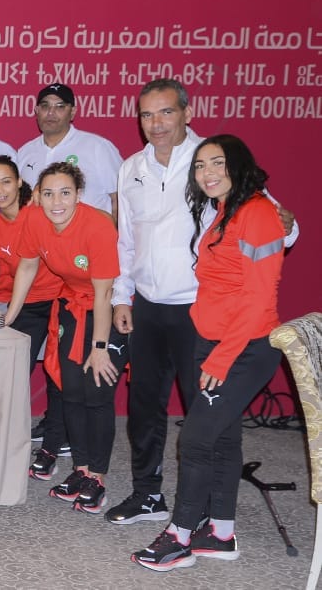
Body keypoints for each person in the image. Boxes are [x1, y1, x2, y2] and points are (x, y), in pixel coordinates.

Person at [131, 135, 287, 571]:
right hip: (213, 341)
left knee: (196, 439)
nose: (207, 173)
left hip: (244, 348)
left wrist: (220, 358)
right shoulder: (225, 211)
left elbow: (257, 299)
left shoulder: (257, 214)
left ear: (238, 165)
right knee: (222, 437)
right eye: (200, 166)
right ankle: (220, 532)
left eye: (217, 163)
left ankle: (180, 535)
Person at [5, 162, 127, 516]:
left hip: (108, 306)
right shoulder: (34, 220)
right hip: (72, 304)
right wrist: (7, 318)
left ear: (78, 194)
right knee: (71, 391)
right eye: (48, 193)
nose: (56, 202)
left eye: (65, 193)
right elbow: (27, 266)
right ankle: (81, 469)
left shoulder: (97, 226)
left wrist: (100, 347)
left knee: (97, 394)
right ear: (38, 196)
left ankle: (98, 478)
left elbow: (104, 294)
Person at [0, 155, 69, 478]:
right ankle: (3, 445)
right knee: (13, 374)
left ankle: (51, 448)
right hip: (26, 303)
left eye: (5, 182)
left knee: (58, 377)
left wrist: (10, 314)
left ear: (18, 182)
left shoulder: (40, 213)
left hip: (59, 299)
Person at [16, 84, 123, 216]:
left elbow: (119, 199)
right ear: (37, 111)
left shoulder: (97, 147)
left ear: (72, 112)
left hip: (87, 234)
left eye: (60, 107)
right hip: (37, 234)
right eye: (45, 106)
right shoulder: (24, 152)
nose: (51, 112)